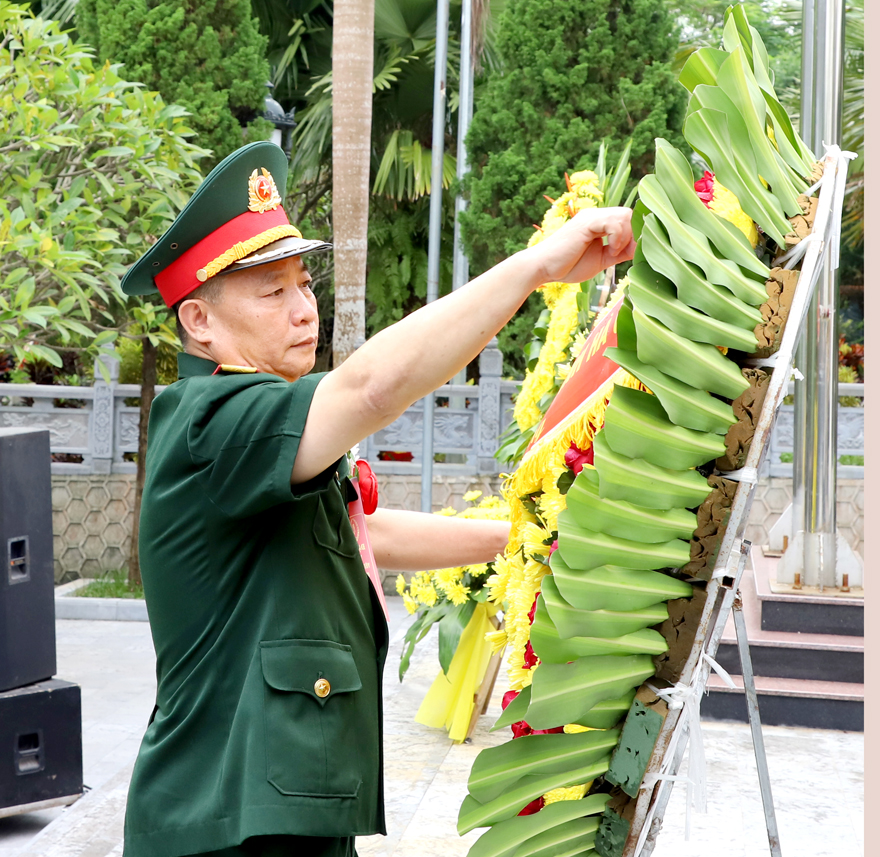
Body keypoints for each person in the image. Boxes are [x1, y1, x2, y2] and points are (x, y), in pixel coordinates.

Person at [118, 142, 635, 857]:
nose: (304, 310)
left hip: (278, 807)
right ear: (199, 322)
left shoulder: (260, 427)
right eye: (273, 293)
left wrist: (525, 535)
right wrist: (538, 265)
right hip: (226, 817)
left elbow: (364, 532)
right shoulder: (209, 418)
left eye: (304, 284)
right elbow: (369, 389)